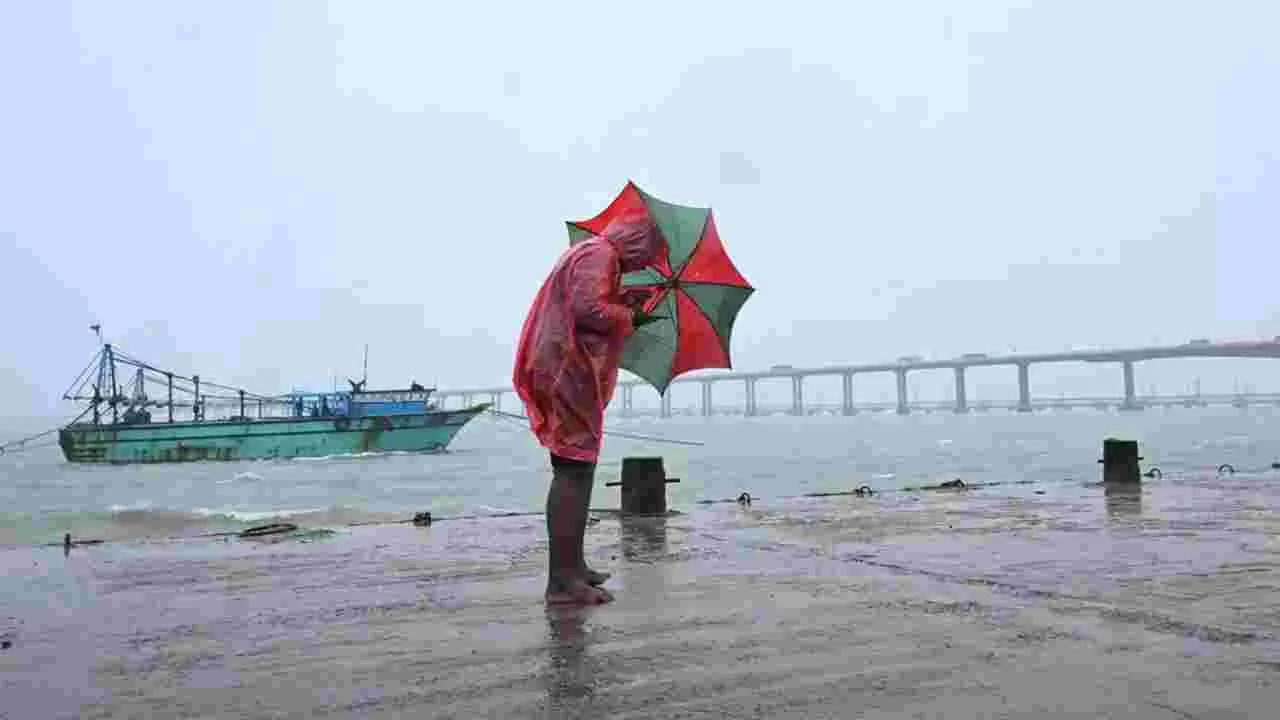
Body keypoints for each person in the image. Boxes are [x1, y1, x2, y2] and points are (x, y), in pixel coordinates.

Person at [513, 217, 663, 605]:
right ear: (636, 240)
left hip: (563, 366)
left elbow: (586, 306)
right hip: (567, 369)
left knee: (579, 467)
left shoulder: (593, 254)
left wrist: (622, 301)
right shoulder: (600, 254)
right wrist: (631, 316)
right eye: (648, 253)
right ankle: (562, 582)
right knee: (573, 470)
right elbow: (587, 311)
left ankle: (572, 567)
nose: (644, 262)